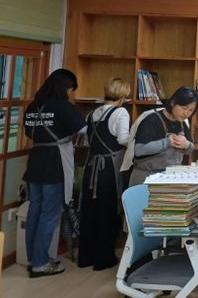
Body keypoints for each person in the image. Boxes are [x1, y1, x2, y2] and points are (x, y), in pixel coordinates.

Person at [23, 68, 87, 278]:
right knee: (49, 214)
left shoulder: (32, 106)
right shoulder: (63, 106)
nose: (70, 93)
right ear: (64, 87)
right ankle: (41, 263)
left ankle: (33, 259)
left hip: (35, 162)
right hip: (54, 163)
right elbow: (84, 129)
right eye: (70, 89)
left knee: (34, 211)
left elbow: (29, 132)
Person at [77, 77, 131, 270]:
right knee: (108, 211)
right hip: (109, 167)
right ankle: (103, 258)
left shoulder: (91, 114)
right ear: (122, 96)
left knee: (89, 211)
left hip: (91, 166)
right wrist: (136, 139)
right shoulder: (121, 112)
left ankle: (85, 257)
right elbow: (123, 139)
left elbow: (87, 140)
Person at [127, 86, 198, 187]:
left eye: (191, 110)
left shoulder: (182, 123)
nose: (186, 113)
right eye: (184, 108)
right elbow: (139, 150)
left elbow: (190, 149)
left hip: (169, 176)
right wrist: (167, 142)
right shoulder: (152, 119)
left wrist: (187, 145)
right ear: (173, 103)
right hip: (146, 177)